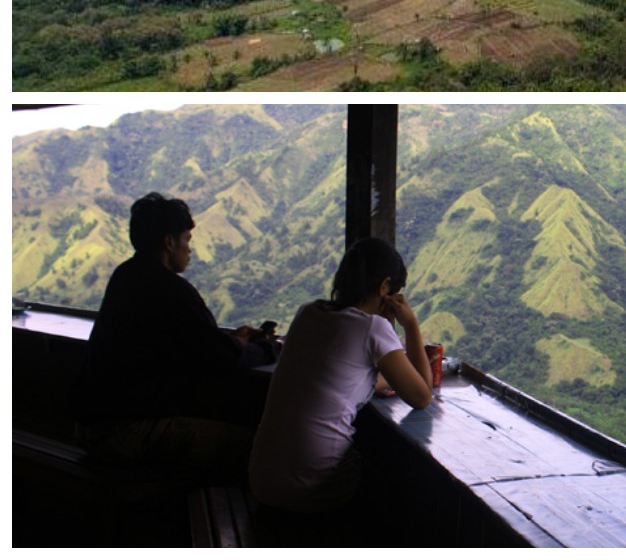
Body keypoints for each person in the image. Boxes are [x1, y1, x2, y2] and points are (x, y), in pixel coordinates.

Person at [75, 192, 281, 474]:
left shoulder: (125, 275)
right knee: (264, 449)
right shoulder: (171, 289)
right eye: (186, 240)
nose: (189, 249)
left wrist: (232, 341)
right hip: (127, 432)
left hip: (90, 425)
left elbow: (180, 341)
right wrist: (270, 348)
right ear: (169, 242)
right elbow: (223, 357)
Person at [249, 237, 433, 513]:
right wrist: (410, 324)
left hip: (262, 481)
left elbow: (345, 377)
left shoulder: (308, 312)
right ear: (384, 287)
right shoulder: (372, 328)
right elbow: (421, 396)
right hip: (310, 487)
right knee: (386, 472)